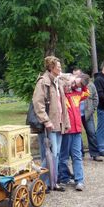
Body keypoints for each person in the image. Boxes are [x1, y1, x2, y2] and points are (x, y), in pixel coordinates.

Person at [32, 56, 70, 192]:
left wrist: (65, 122)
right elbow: (38, 103)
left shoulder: (58, 81)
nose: (60, 69)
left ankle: (52, 182)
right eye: (58, 67)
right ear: (51, 68)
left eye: (60, 66)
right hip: (49, 125)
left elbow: (62, 105)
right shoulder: (43, 82)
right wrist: (46, 120)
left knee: (56, 154)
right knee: (51, 154)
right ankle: (39, 182)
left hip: (58, 123)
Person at [58, 75, 89, 190]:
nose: (71, 86)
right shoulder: (61, 96)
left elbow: (87, 93)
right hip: (67, 130)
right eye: (70, 84)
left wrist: (80, 84)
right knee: (64, 156)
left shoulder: (77, 94)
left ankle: (79, 180)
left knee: (77, 156)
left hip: (77, 131)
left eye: (74, 84)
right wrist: (71, 80)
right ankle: (64, 178)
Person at [79, 74, 102, 161]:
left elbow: (96, 98)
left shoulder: (91, 85)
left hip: (88, 114)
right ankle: (80, 154)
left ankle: (95, 154)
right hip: (76, 115)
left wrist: (93, 109)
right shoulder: (74, 86)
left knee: (92, 133)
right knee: (78, 135)